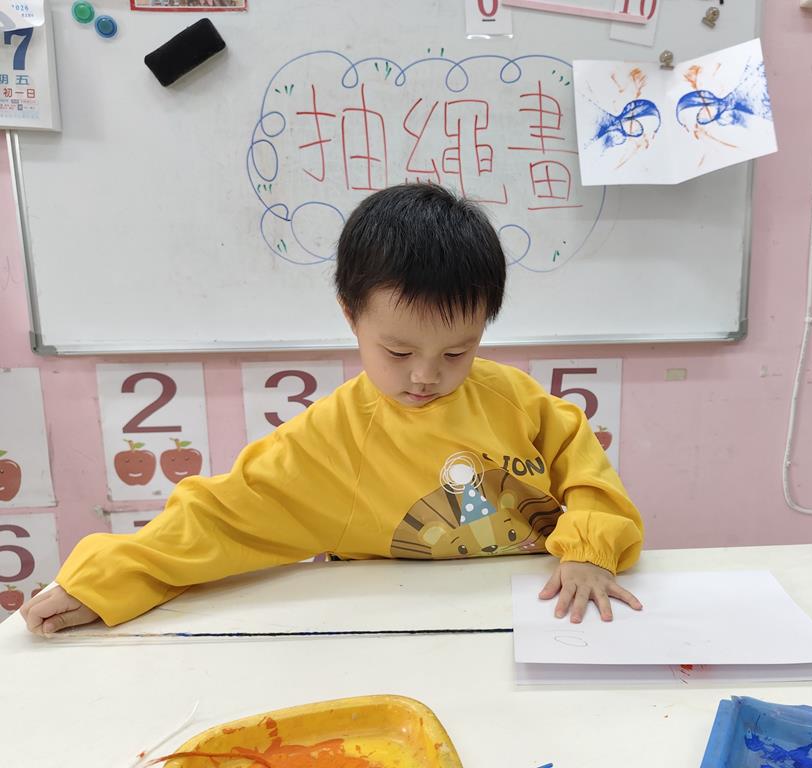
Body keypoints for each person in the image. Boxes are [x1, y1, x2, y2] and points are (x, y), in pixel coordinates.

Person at [21, 183, 644, 636]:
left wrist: (587, 551)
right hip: (397, 629)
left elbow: (591, 480)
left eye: (458, 351)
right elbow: (219, 517)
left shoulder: (517, 401)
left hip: (541, 616)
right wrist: (106, 580)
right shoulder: (331, 438)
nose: (426, 376)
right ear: (351, 315)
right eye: (398, 351)